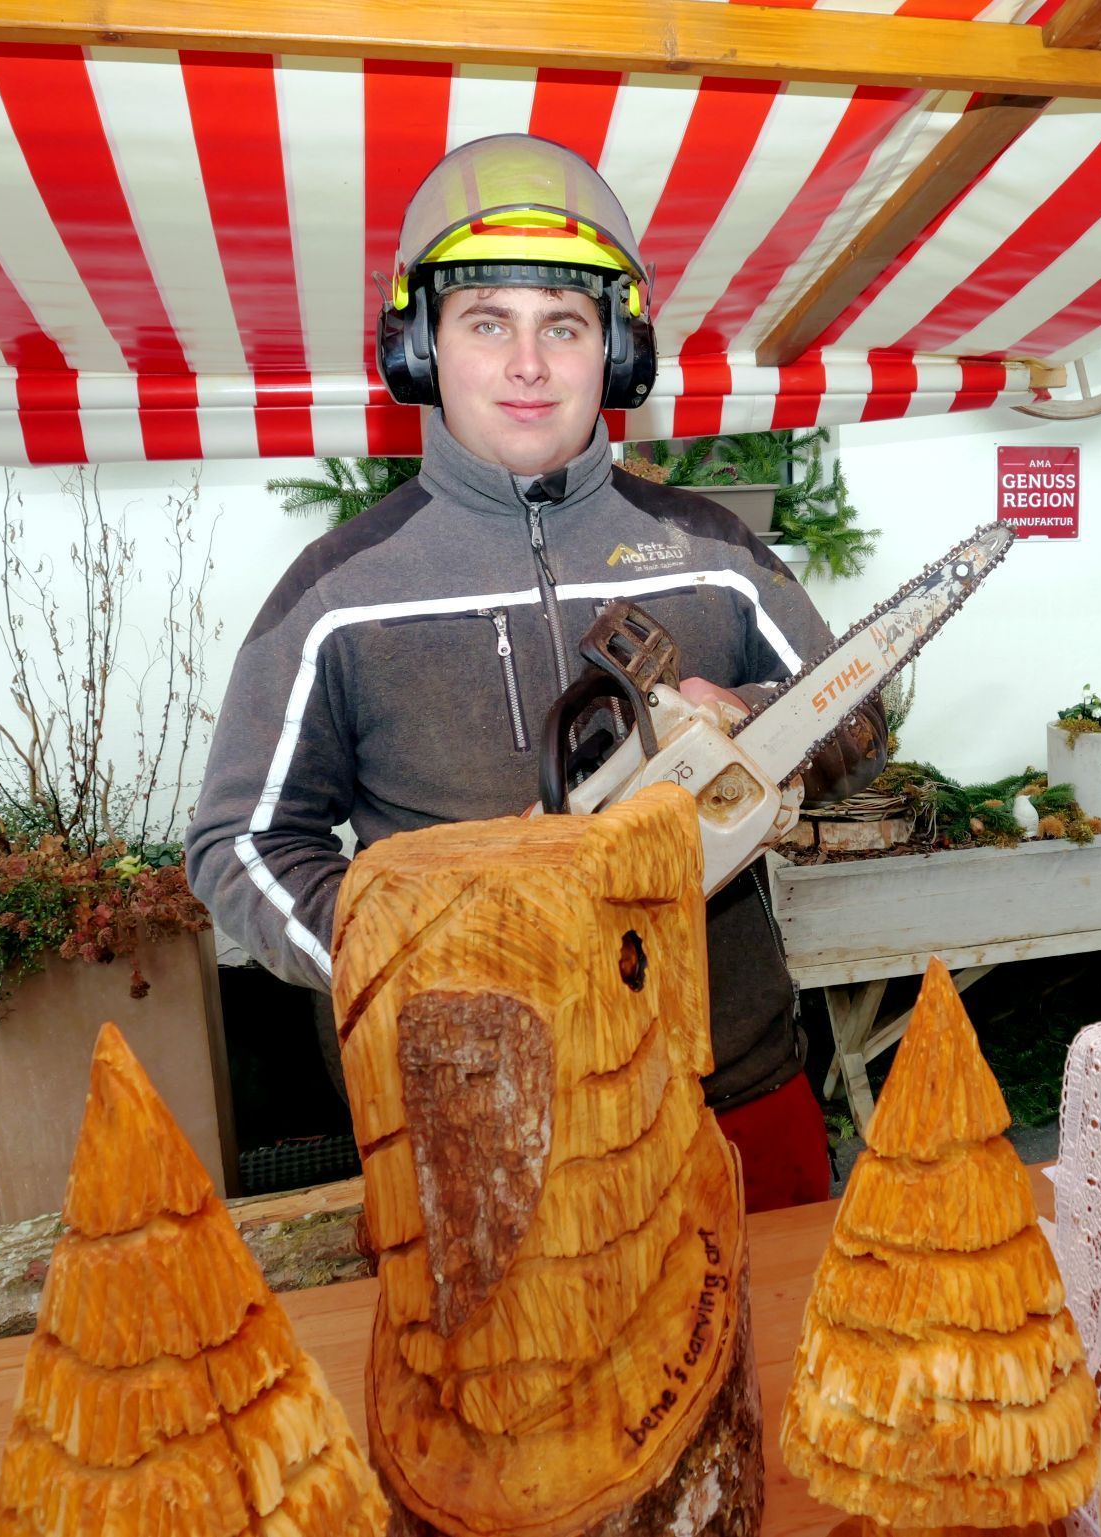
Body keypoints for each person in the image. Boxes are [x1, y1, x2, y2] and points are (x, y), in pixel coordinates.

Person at [185, 133, 885, 1212]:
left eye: (563, 326)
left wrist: (746, 721)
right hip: (479, 1118)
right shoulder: (336, 595)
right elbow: (239, 844)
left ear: (615, 353)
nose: (528, 364)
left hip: (732, 1087)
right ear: (420, 351)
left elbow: (860, 713)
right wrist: (413, 953)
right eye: (486, 325)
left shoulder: (713, 549)